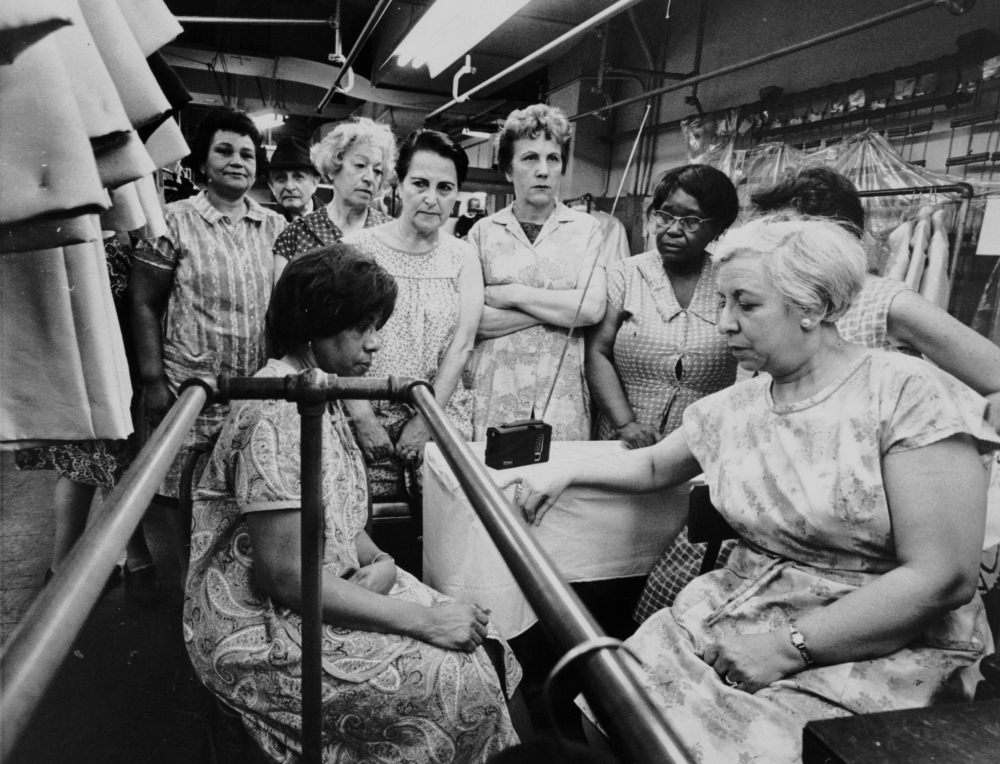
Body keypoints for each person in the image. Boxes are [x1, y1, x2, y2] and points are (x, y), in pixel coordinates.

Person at [502, 215, 998, 764]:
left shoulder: (905, 393)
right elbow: (650, 469)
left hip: (878, 637)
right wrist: (564, 471)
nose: (724, 324)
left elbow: (943, 575)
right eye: (722, 303)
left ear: (813, 306)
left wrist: (789, 647)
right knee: (618, 704)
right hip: (734, 610)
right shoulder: (735, 406)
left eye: (746, 304)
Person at [184, 246, 525, 763]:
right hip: (260, 621)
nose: (375, 344)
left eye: (376, 325)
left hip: (332, 580)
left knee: (488, 641)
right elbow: (284, 577)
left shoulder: (320, 391)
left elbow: (338, 517)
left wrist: (383, 562)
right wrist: (423, 621)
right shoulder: (276, 413)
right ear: (313, 326)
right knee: (455, 677)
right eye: (361, 327)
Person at [130, 109, 285, 578]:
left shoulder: (275, 226)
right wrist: (153, 380)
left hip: (252, 392)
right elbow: (142, 303)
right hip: (187, 390)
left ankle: (231, 596)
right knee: (184, 499)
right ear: (202, 161)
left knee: (241, 497)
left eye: (247, 153)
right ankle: (189, 594)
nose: (238, 160)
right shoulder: (171, 222)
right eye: (225, 150)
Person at [585, 166, 740, 622]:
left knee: (679, 560)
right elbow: (598, 351)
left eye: (691, 220)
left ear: (718, 228)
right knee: (606, 553)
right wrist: (625, 421)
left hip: (698, 455)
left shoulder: (731, 282)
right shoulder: (625, 275)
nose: (673, 230)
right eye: (664, 215)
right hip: (624, 440)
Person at [753, 166, 1000, 409]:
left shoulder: (886, 302)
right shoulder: (791, 298)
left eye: (786, 234)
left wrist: (934, 440)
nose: (774, 248)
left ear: (840, 236)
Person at [16, 234, 159, 601]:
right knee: (112, 463)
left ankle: (63, 571)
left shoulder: (56, 231)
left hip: (72, 361)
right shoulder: (120, 237)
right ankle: (137, 565)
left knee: (80, 464)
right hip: (113, 364)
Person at [343, 130, 484, 499]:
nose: (431, 199)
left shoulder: (464, 257)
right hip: (365, 418)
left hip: (438, 420)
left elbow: (462, 345)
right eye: (420, 184)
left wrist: (427, 419)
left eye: (445, 188)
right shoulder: (356, 250)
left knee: (439, 537)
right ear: (398, 185)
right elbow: (335, 341)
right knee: (364, 532)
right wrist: (361, 417)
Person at [469, 104, 607, 440]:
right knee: (491, 489)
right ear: (507, 169)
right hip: (495, 395)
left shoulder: (587, 229)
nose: (543, 170)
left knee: (559, 490)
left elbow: (591, 309)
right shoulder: (483, 233)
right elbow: (475, 321)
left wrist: (512, 295)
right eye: (530, 158)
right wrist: (561, 309)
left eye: (553, 159)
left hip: (561, 400)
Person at [271, 117, 394, 285]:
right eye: (360, 165)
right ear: (332, 169)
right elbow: (281, 306)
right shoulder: (296, 234)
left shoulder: (392, 233)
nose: (370, 178)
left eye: (378, 171)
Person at [266, 136, 322, 221]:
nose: (289, 187)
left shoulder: (336, 220)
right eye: (281, 178)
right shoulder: (265, 226)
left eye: (298, 177)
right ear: (271, 186)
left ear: (314, 183)